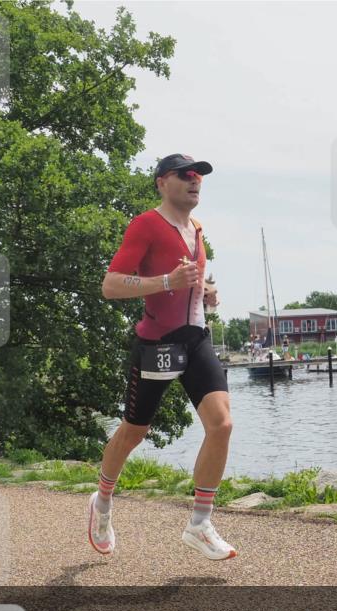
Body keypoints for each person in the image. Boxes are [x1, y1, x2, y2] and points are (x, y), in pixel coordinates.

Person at [92, 153, 236, 561]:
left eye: (200, 177)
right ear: (161, 182)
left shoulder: (197, 229)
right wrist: (166, 282)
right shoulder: (146, 225)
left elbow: (189, 285)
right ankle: (102, 502)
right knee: (134, 432)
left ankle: (200, 524)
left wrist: (207, 292)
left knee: (221, 424)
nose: (195, 181)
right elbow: (111, 284)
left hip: (195, 339)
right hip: (157, 345)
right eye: (185, 175)